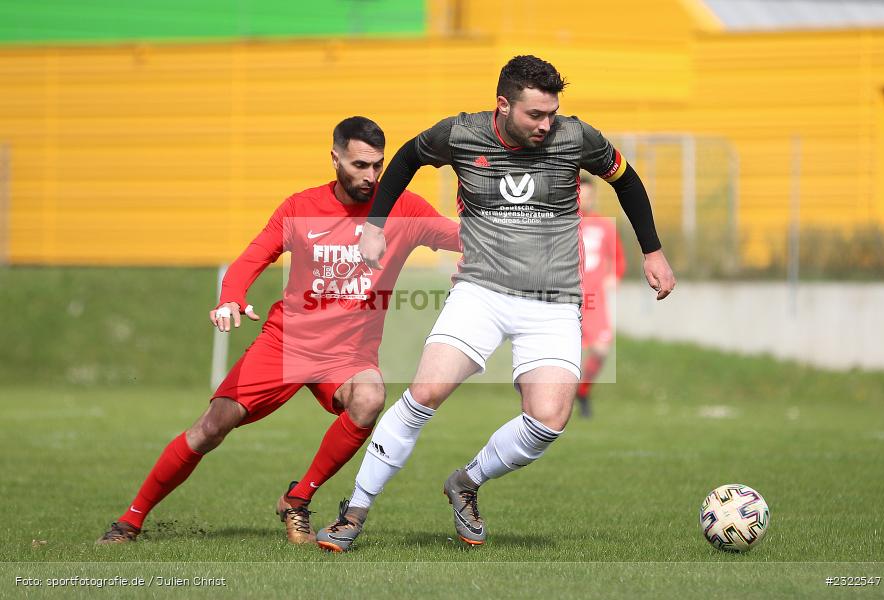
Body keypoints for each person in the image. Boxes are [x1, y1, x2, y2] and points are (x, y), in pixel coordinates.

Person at [316, 55, 675, 552]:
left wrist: (652, 251)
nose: (546, 125)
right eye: (535, 115)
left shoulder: (577, 138)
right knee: (425, 393)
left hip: (553, 302)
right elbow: (405, 159)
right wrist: (374, 224)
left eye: (551, 114)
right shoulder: (461, 134)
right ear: (503, 105)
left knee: (549, 419)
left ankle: (466, 482)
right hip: (481, 291)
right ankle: (354, 511)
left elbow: (626, 180)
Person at [97, 117, 460, 545]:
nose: (371, 176)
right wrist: (230, 296)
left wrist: (493, 209)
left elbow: (464, 237)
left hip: (347, 356)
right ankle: (130, 520)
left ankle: (297, 500)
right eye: (360, 165)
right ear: (335, 158)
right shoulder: (299, 207)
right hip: (286, 343)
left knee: (369, 398)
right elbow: (252, 258)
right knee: (211, 427)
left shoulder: (402, 208)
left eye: (378, 166)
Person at [576, 175, 626, 418]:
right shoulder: (563, 223)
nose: (583, 199)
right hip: (566, 297)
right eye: (579, 194)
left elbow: (618, 258)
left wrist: (614, 276)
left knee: (601, 351)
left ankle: (582, 392)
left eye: (587, 194)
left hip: (594, 300)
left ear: (593, 196)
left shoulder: (604, 225)